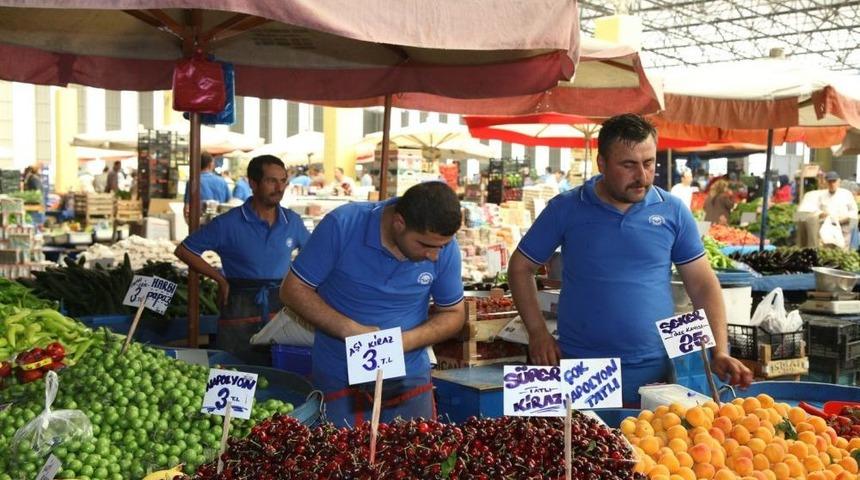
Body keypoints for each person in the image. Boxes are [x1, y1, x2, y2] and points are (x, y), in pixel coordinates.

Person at [507, 114, 752, 408]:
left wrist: (720, 351)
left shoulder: (672, 210)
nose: (642, 176)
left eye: (648, 163)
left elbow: (702, 285)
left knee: (655, 449)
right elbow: (520, 267)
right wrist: (537, 333)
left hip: (656, 371)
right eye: (628, 165)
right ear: (602, 164)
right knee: (585, 448)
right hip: (582, 369)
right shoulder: (566, 208)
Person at [280, 181, 465, 426]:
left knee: (414, 460)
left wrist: (403, 342)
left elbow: (453, 313)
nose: (434, 256)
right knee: (342, 461)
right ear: (399, 223)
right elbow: (292, 290)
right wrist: (349, 329)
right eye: (425, 245)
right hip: (339, 378)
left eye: (442, 246)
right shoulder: (343, 225)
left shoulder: (443, 247)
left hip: (409, 379)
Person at [175, 155, 310, 363]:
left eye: (283, 181)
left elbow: (313, 258)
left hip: (282, 308)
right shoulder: (228, 223)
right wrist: (219, 279)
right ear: (253, 183)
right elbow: (185, 250)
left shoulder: (292, 221)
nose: (279, 187)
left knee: (279, 370)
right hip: (239, 305)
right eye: (271, 180)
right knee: (235, 367)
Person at [796, 171, 858, 249]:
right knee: (828, 250)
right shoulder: (821, 195)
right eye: (829, 182)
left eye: (834, 181)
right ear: (826, 182)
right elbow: (809, 211)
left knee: (842, 250)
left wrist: (850, 225)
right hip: (828, 227)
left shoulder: (846, 194)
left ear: (839, 182)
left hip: (844, 227)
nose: (832, 184)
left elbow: (854, 212)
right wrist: (820, 214)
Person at [184, 152, 231, 221]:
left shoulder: (192, 181)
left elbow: (187, 208)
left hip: (199, 224)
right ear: (210, 165)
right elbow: (228, 203)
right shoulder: (222, 181)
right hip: (219, 223)